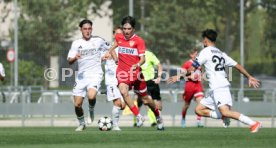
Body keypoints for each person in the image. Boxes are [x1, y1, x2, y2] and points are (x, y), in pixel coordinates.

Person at [191, 29, 261, 133]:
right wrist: (249, 76)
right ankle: (223, 116)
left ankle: (253, 123)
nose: (202, 42)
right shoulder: (220, 53)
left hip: (219, 87)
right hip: (214, 89)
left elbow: (193, 68)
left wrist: (179, 76)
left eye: (203, 40)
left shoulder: (205, 52)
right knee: (198, 110)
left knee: (226, 112)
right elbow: (237, 65)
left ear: (205, 40)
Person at [104, 16, 164, 130]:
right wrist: (112, 56)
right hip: (122, 72)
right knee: (123, 91)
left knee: (146, 99)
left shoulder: (139, 41)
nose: (126, 31)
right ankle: (138, 116)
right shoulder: (119, 37)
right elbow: (113, 48)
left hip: (136, 73)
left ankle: (157, 116)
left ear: (133, 29)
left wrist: (137, 64)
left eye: (129, 29)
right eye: (125, 28)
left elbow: (143, 59)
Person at [67, 19, 109, 131]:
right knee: (77, 105)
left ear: (92, 29)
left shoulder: (98, 40)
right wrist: (75, 58)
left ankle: (91, 110)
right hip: (81, 77)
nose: (87, 31)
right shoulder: (76, 43)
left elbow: (110, 48)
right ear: (81, 30)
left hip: (95, 74)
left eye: (89, 28)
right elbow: (69, 61)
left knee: (91, 96)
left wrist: (106, 56)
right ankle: (81, 123)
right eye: (85, 29)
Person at [168, 48, 204, 128]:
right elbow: (183, 75)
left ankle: (199, 121)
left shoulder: (199, 63)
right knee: (186, 105)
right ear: (191, 55)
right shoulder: (187, 64)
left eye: (197, 54)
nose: (196, 55)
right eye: (195, 54)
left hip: (198, 85)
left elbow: (200, 73)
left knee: (201, 102)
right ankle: (183, 119)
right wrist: (191, 76)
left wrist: (200, 76)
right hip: (189, 85)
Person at [104, 26, 126, 131]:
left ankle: (113, 122)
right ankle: (115, 126)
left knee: (123, 106)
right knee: (117, 103)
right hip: (112, 80)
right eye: (117, 34)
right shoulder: (109, 46)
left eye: (121, 34)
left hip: (122, 80)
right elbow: (111, 51)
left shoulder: (124, 48)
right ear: (114, 35)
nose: (119, 36)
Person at [135, 50, 163, 127]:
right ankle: (140, 120)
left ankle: (159, 120)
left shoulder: (149, 54)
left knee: (159, 106)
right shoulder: (134, 55)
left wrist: (159, 77)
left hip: (152, 83)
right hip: (142, 83)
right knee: (147, 101)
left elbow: (159, 65)